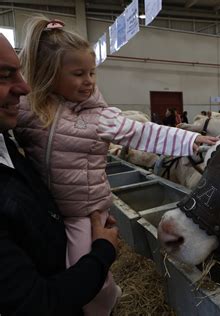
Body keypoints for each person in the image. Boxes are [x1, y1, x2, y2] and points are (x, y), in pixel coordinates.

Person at [14, 16, 218, 316]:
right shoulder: (30, 110)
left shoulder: (99, 117)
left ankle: (103, 306)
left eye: (92, 73)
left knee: (84, 270)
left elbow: (144, 133)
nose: (89, 81)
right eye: (78, 73)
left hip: (84, 212)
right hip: (48, 208)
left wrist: (190, 141)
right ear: (49, 74)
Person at [0, 34, 119, 316]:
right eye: (5, 75)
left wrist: (83, 207)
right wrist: (102, 250)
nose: (25, 86)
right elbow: (36, 303)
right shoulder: (31, 121)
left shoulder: (7, 140)